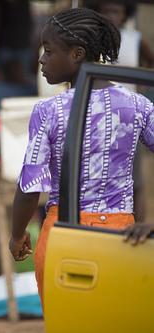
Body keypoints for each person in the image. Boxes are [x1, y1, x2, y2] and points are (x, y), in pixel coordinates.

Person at [9, 7, 154, 305]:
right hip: (122, 236)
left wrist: (17, 234)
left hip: (63, 233)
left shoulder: (48, 111)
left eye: (48, 51)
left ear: (77, 54)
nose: (41, 59)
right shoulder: (137, 105)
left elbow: (30, 188)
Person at [85, 0, 154, 223]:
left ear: (125, 14)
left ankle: (138, 222)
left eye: (116, 11)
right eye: (106, 12)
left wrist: (141, 83)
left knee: (134, 178)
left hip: (127, 116)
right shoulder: (93, 41)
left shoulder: (134, 39)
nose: (111, 16)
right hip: (97, 114)